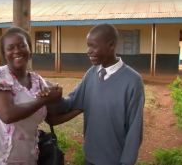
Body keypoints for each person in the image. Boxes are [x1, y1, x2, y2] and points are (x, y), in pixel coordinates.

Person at [48, 24, 145, 165]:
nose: (89, 51)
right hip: (90, 157)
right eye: (88, 46)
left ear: (111, 45)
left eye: (93, 46)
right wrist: (54, 97)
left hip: (115, 160)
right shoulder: (92, 74)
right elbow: (70, 103)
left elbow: (135, 129)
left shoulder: (133, 81)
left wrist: (126, 162)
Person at [0, 27, 63, 165]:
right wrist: (44, 99)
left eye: (22, 45)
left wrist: (77, 104)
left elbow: (51, 118)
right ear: (4, 54)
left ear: (30, 50)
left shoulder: (38, 81)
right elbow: (8, 115)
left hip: (27, 157)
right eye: (10, 48)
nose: (17, 50)